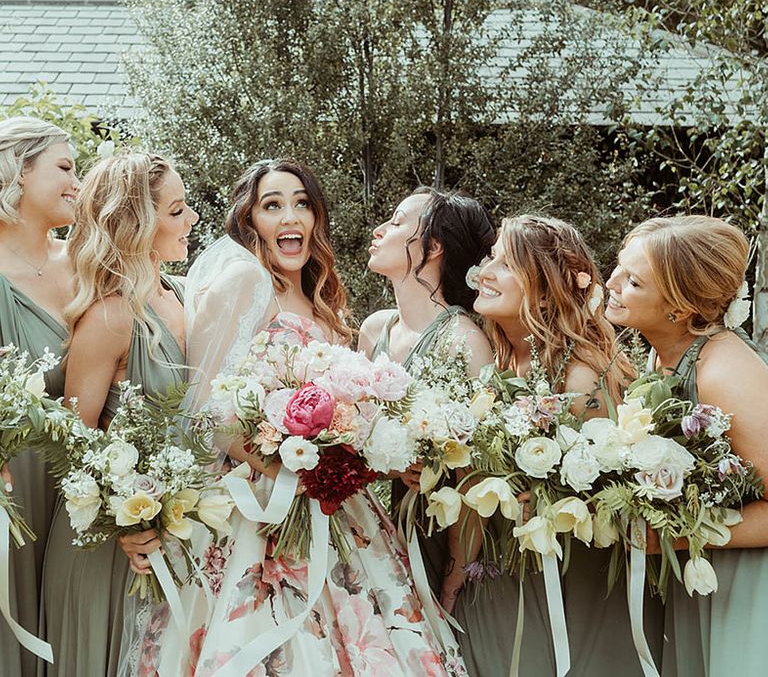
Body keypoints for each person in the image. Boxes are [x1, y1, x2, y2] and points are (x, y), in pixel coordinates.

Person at [124, 159, 467, 676]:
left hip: (339, 507)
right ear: (250, 221)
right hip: (258, 505)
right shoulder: (242, 282)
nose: (291, 217)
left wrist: (364, 458)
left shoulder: (322, 299)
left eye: (302, 203)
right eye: (272, 205)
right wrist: (295, 469)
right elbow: (208, 412)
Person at [459, 214, 644, 677]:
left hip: (569, 581)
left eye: (504, 263)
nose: (485, 271)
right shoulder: (498, 358)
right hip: (503, 573)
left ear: (544, 288)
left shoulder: (583, 371)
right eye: (490, 258)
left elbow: (609, 492)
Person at [41, 152, 198, 677]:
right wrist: (123, 522)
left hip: (168, 531)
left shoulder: (177, 296)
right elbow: (73, 442)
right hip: (109, 544)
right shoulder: (111, 315)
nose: (191, 219)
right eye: (177, 211)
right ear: (137, 226)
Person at [605, 215, 768, 677]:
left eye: (633, 281)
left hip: (749, 586)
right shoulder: (662, 354)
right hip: (702, 578)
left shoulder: (726, 373)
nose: (611, 282)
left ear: (677, 308)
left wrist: (680, 536)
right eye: (620, 267)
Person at [358, 186, 495, 610]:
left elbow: (476, 474)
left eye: (397, 222)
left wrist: (455, 570)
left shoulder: (465, 343)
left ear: (433, 246)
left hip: (430, 530)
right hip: (367, 529)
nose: (379, 230)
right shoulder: (374, 329)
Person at [0, 116, 77, 676]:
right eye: (65, 168)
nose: (78, 182)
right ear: (19, 172)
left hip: (84, 482)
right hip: (12, 483)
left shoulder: (84, 265)